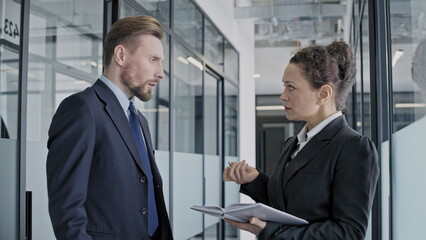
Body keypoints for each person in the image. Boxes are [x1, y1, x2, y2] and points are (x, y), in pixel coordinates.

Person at [223, 41, 379, 240]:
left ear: (323, 94)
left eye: (291, 87)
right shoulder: (292, 143)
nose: (283, 96)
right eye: (284, 86)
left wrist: (269, 232)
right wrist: (255, 180)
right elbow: (286, 206)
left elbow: (349, 233)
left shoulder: (353, 147)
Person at [46, 16, 173, 240]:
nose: (161, 72)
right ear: (121, 55)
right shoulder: (82, 109)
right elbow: (66, 211)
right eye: (153, 59)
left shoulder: (139, 120)